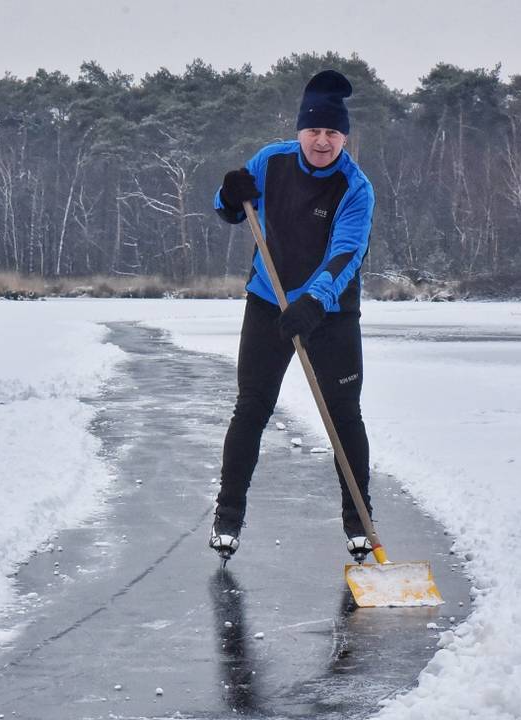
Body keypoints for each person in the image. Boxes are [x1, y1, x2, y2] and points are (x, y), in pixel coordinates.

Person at [209, 69, 376, 563]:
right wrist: (227, 192)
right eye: (314, 130)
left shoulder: (355, 187)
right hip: (268, 301)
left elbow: (347, 254)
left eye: (333, 132)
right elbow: (232, 210)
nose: (322, 141)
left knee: (344, 416)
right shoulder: (271, 161)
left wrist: (313, 300)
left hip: (331, 311)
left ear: (343, 136)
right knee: (252, 406)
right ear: (300, 129)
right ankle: (227, 515)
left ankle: (360, 522)